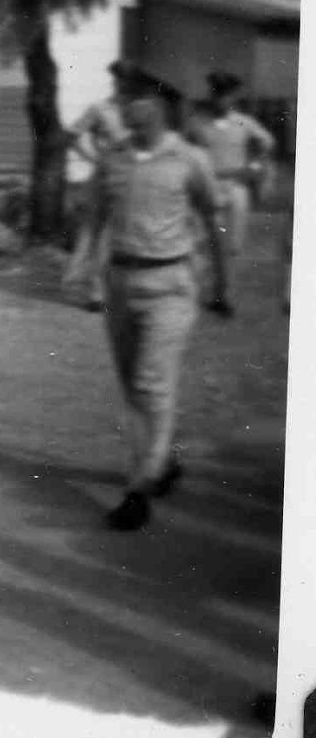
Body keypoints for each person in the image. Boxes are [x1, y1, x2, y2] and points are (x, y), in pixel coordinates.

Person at [90, 66, 226, 531]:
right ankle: (160, 460)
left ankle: (137, 488)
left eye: (132, 98)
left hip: (170, 285)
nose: (123, 106)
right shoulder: (112, 159)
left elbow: (213, 220)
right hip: (122, 283)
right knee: (133, 387)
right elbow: (93, 217)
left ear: (158, 105)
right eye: (121, 97)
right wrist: (84, 271)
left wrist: (220, 284)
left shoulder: (189, 159)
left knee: (150, 383)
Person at [184, 70, 275, 313]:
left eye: (226, 95)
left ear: (234, 97)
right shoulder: (196, 122)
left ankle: (223, 297)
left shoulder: (244, 122)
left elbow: (267, 143)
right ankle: (193, 293)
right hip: (206, 187)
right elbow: (183, 151)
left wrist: (255, 166)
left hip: (235, 186)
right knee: (200, 242)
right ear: (211, 94)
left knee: (232, 245)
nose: (221, 100)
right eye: (217, 94)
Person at [63, 64, 131, 312]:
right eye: (119, 80)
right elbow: (71, 135)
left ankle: (108, 289)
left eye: (128, 81)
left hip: (133, 179)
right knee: (95, 233)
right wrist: (93, 158)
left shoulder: (141, 112)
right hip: (104, 177)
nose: (123, 85)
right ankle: (94, 292)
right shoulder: (101, 109)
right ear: (114, 81)